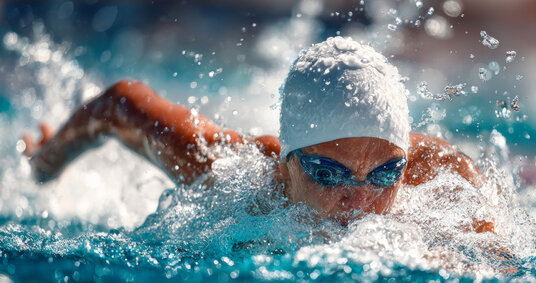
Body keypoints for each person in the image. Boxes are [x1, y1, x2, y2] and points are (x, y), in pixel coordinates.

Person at [22, 36, 493, 232]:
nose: (359, 199)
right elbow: (118, 104)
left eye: (385, 174)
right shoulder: (223, 170)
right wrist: (45, 163)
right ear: (286, 162)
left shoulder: (440, 176)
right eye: (329, 174)